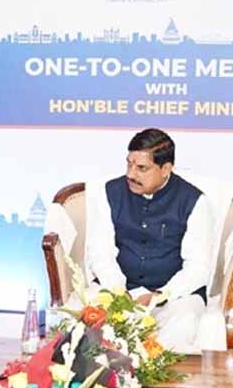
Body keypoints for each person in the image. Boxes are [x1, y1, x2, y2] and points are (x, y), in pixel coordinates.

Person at [85, 128, 214, 350]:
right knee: (83, 314)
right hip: (119, 289)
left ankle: (156, 372)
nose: (131, 174)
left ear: (166, 169)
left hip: (172, 295)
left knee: (183, 321)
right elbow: (100, 254)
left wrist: (160, 296)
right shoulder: (109, 193)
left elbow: (198, 268)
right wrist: (120, 294)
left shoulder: (194, 201)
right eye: (129, 164)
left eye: (141, 168)